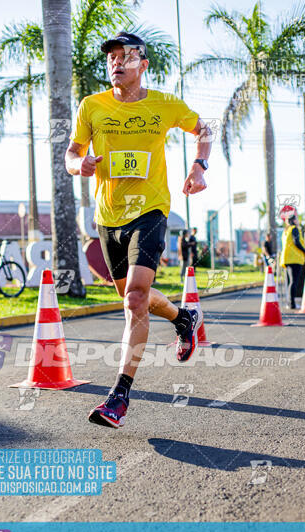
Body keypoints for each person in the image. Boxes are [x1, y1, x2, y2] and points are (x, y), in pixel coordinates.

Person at [65, 31, 211, 429]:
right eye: (111, 57)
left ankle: (119, 397)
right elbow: (71, 154)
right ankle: (184, 317)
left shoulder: (165, 104)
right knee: (135, 299)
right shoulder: (91, 106)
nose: (116, 63)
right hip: (108, 217)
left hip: (150, 211)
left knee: (134, 298)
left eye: (125, 57)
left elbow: (205, 130)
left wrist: (200, 167)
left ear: (143, 65)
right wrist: (80, 166)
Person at [280, 215, 305, 310]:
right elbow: (297, 242)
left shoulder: (285, 231)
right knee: (293, 282)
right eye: (297, 219)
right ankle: (292, 304)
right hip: (294, 259)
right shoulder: (294, 229)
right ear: (294, 220)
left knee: (290, 281)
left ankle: (290, 302)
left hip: (287, 259)